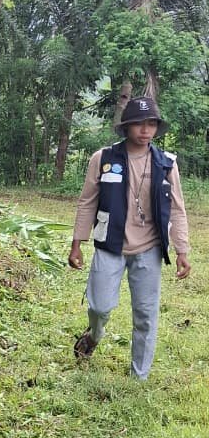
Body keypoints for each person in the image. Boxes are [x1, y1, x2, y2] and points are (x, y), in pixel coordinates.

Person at [68, 96, 191, 380]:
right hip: (110, 245)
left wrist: (182, 249)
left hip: (149, 248)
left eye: (151, 124)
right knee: (99, 306)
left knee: (146, 315)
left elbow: (177, 208)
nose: (145, 130)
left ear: (157, 129)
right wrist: (77, 242)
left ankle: (139, 376)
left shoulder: (166, 164)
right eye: (138, 124)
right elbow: (87, 202)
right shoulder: (103, 158)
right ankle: (94, 335)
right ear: (126, 127)